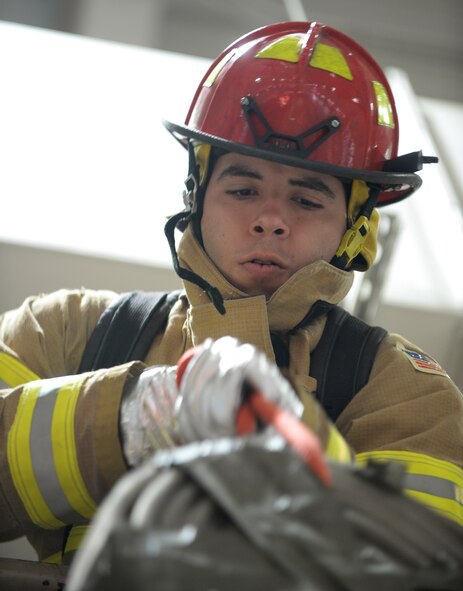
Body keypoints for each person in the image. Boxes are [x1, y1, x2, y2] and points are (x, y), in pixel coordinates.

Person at [0, 20, 462, 570]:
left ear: (355, 225)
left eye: (307, 200)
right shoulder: (65, 331)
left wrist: (294, 441)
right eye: (242, 189)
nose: (269, 220)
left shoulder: (405, 392)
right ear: (196, 196)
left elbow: (420, 570)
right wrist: (135, 418)